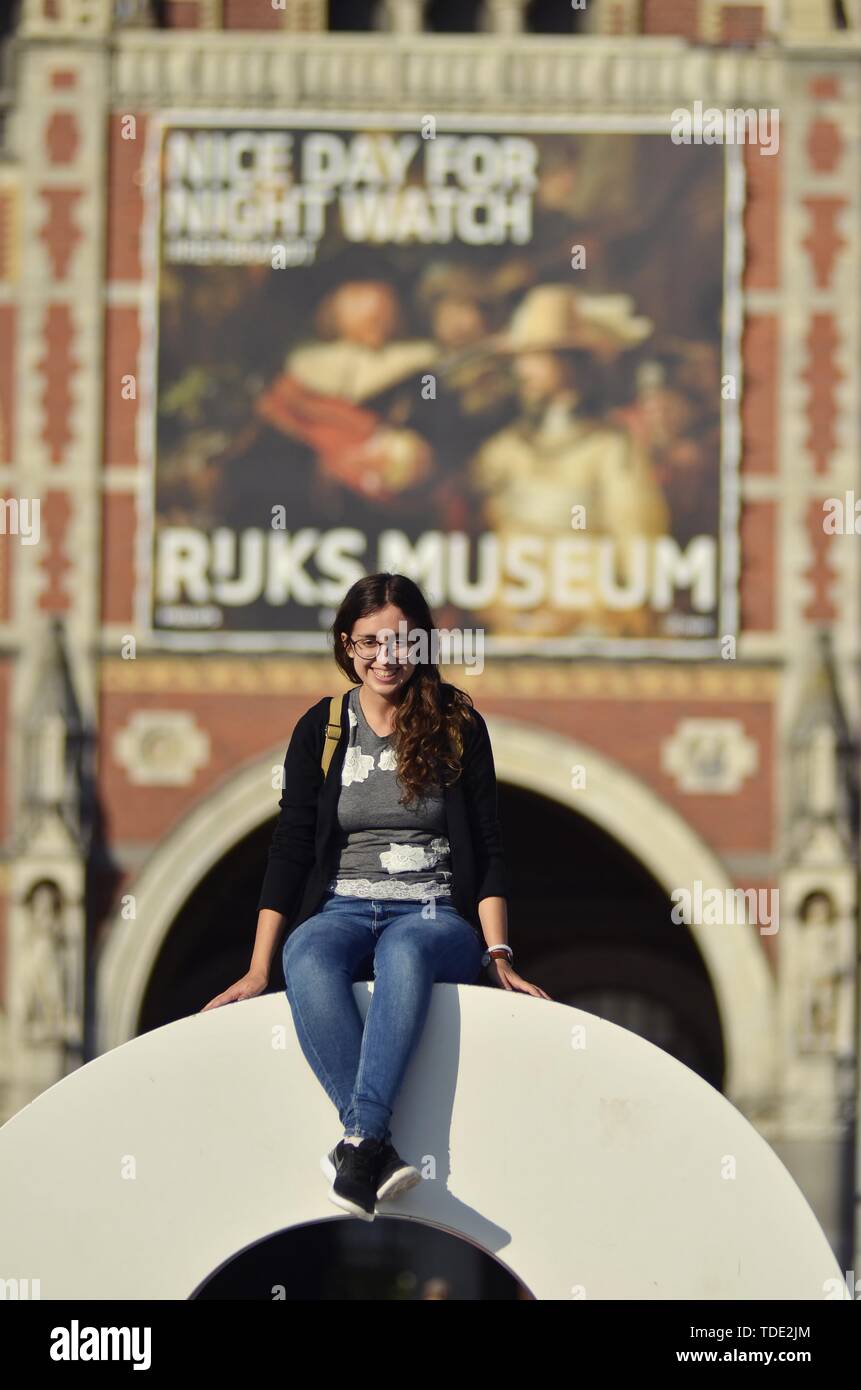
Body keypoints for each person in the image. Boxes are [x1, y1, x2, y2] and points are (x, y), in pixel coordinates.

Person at [202, 572, 550, 1221]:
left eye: (399, 641)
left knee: (406, 949)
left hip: (433, 914)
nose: (385, 656)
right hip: (340, 906)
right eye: (369, 642)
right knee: (304, 954)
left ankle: (358, 1140)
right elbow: (290, 847)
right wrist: (257, 969)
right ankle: (370, 1145)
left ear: (420, 644)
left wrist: (498, 954)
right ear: (346, 644)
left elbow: (490, 843)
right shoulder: (323, 728)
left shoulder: (456, 724)